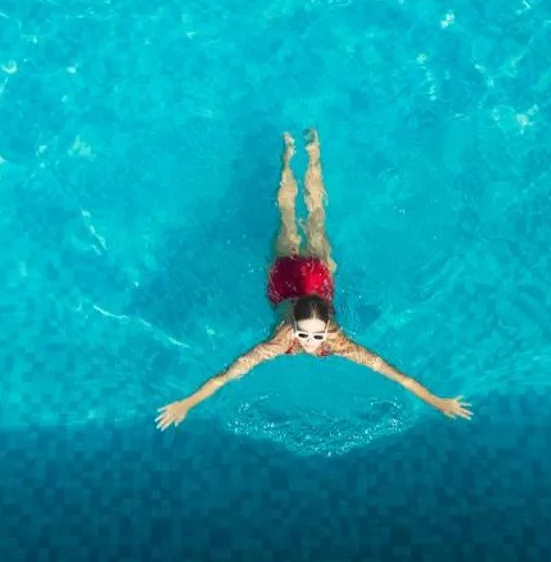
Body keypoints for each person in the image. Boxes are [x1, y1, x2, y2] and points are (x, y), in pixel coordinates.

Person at [155, 129, 472, 429]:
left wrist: (438, 401)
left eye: (316, 337)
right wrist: (186, 403)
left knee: (312, 215)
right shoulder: (279, 342)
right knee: (291, 215)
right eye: (305, 336)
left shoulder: (334, 339)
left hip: (313, 278)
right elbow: (226, 376)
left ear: (327, 325)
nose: (309, 344)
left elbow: (395, 375)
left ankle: (312, 152)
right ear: (292, 323)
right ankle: (289, 155)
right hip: (288, 278)